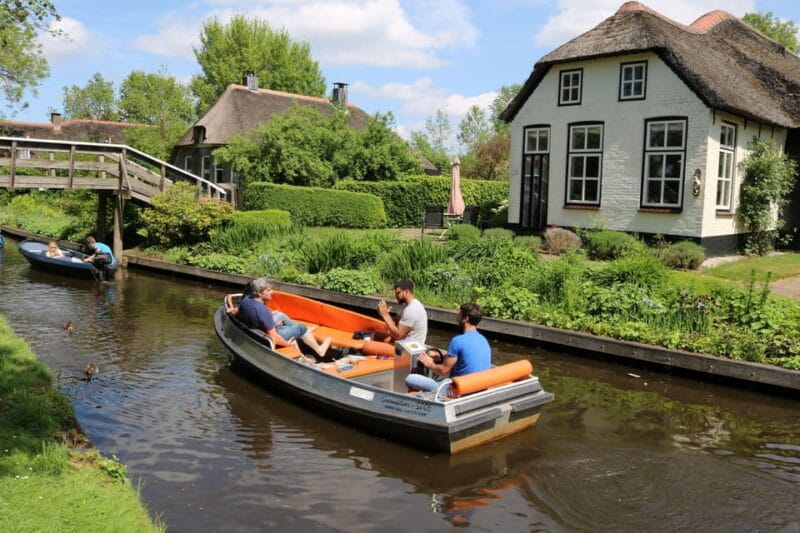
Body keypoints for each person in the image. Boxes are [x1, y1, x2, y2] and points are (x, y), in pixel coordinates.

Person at [405, 303, 492, 394]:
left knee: (410, 378)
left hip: (456, 390)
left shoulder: (457, 341)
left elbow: (443, 370)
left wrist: (430, 363)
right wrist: (440, 355)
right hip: (479, 387)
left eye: (459, 314)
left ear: (465, 318)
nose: (457, 317)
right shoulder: (483, 340)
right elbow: (463, 356)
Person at [238, 277, 332, 359]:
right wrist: (288, 344)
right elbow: (274, 337)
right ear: (259, 293)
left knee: (279, 315)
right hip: (268, 337)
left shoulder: (246, 300)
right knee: (301, 327)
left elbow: (238, 312)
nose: (272, 292)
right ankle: (320, 350)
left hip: (259, 330)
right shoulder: (263, 311)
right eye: (268, 290)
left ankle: (305, 333)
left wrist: (272, 323)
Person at [377, 279, 428, 344]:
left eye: (398, 293)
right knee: (377, 333)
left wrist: (385, 315)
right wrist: (384, 314)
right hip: (404, 341)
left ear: (406, 292)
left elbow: (397, 335)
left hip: (408, 349)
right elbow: (394, 320)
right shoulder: (410, 305)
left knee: (369, 346)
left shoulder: (412, 310)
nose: (395, 295)